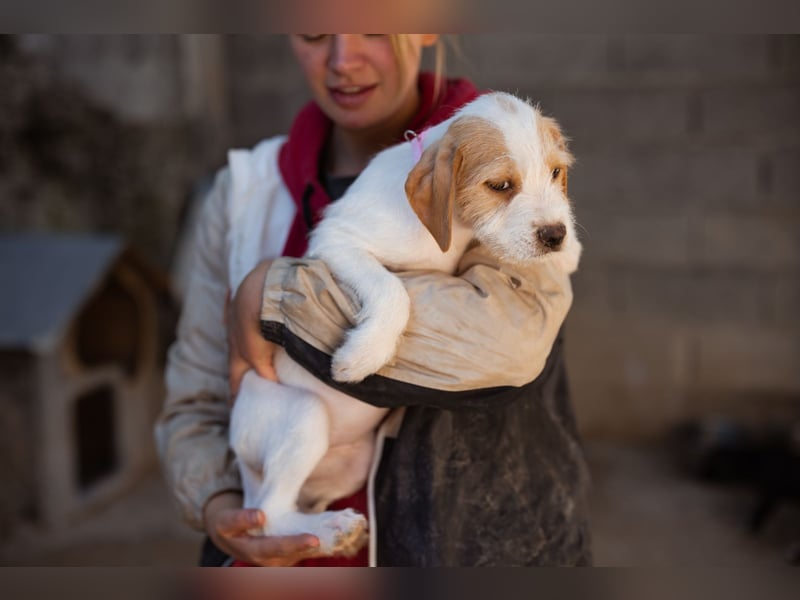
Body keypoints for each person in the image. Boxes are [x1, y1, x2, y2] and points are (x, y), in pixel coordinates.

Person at [155, 34, 592, 567]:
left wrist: (271, 294)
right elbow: (195, 398)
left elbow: (508, 343)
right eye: (315, 34)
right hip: (277, 510)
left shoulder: (510, 143)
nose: (344, 60)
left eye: (375, 27)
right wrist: (220, 507)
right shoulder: (241, 190)